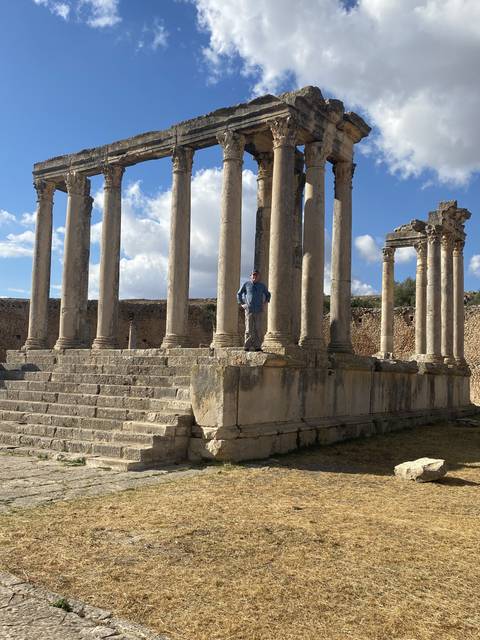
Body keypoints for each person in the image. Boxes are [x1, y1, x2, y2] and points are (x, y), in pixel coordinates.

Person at [237, 270, 271, 351]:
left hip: (259, 310)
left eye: (256, 275)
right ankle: (247, 346)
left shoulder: (262, 286)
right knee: (248, 329)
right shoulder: (246, 284)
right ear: (250, 276)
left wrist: (265, 302)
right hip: (249, 310)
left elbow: (268, 294)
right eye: (253, 275)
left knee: (258, 329)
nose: (254, 277)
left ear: (259, 277)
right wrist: (242, 304)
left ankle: (257, 346)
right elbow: (239, 294)